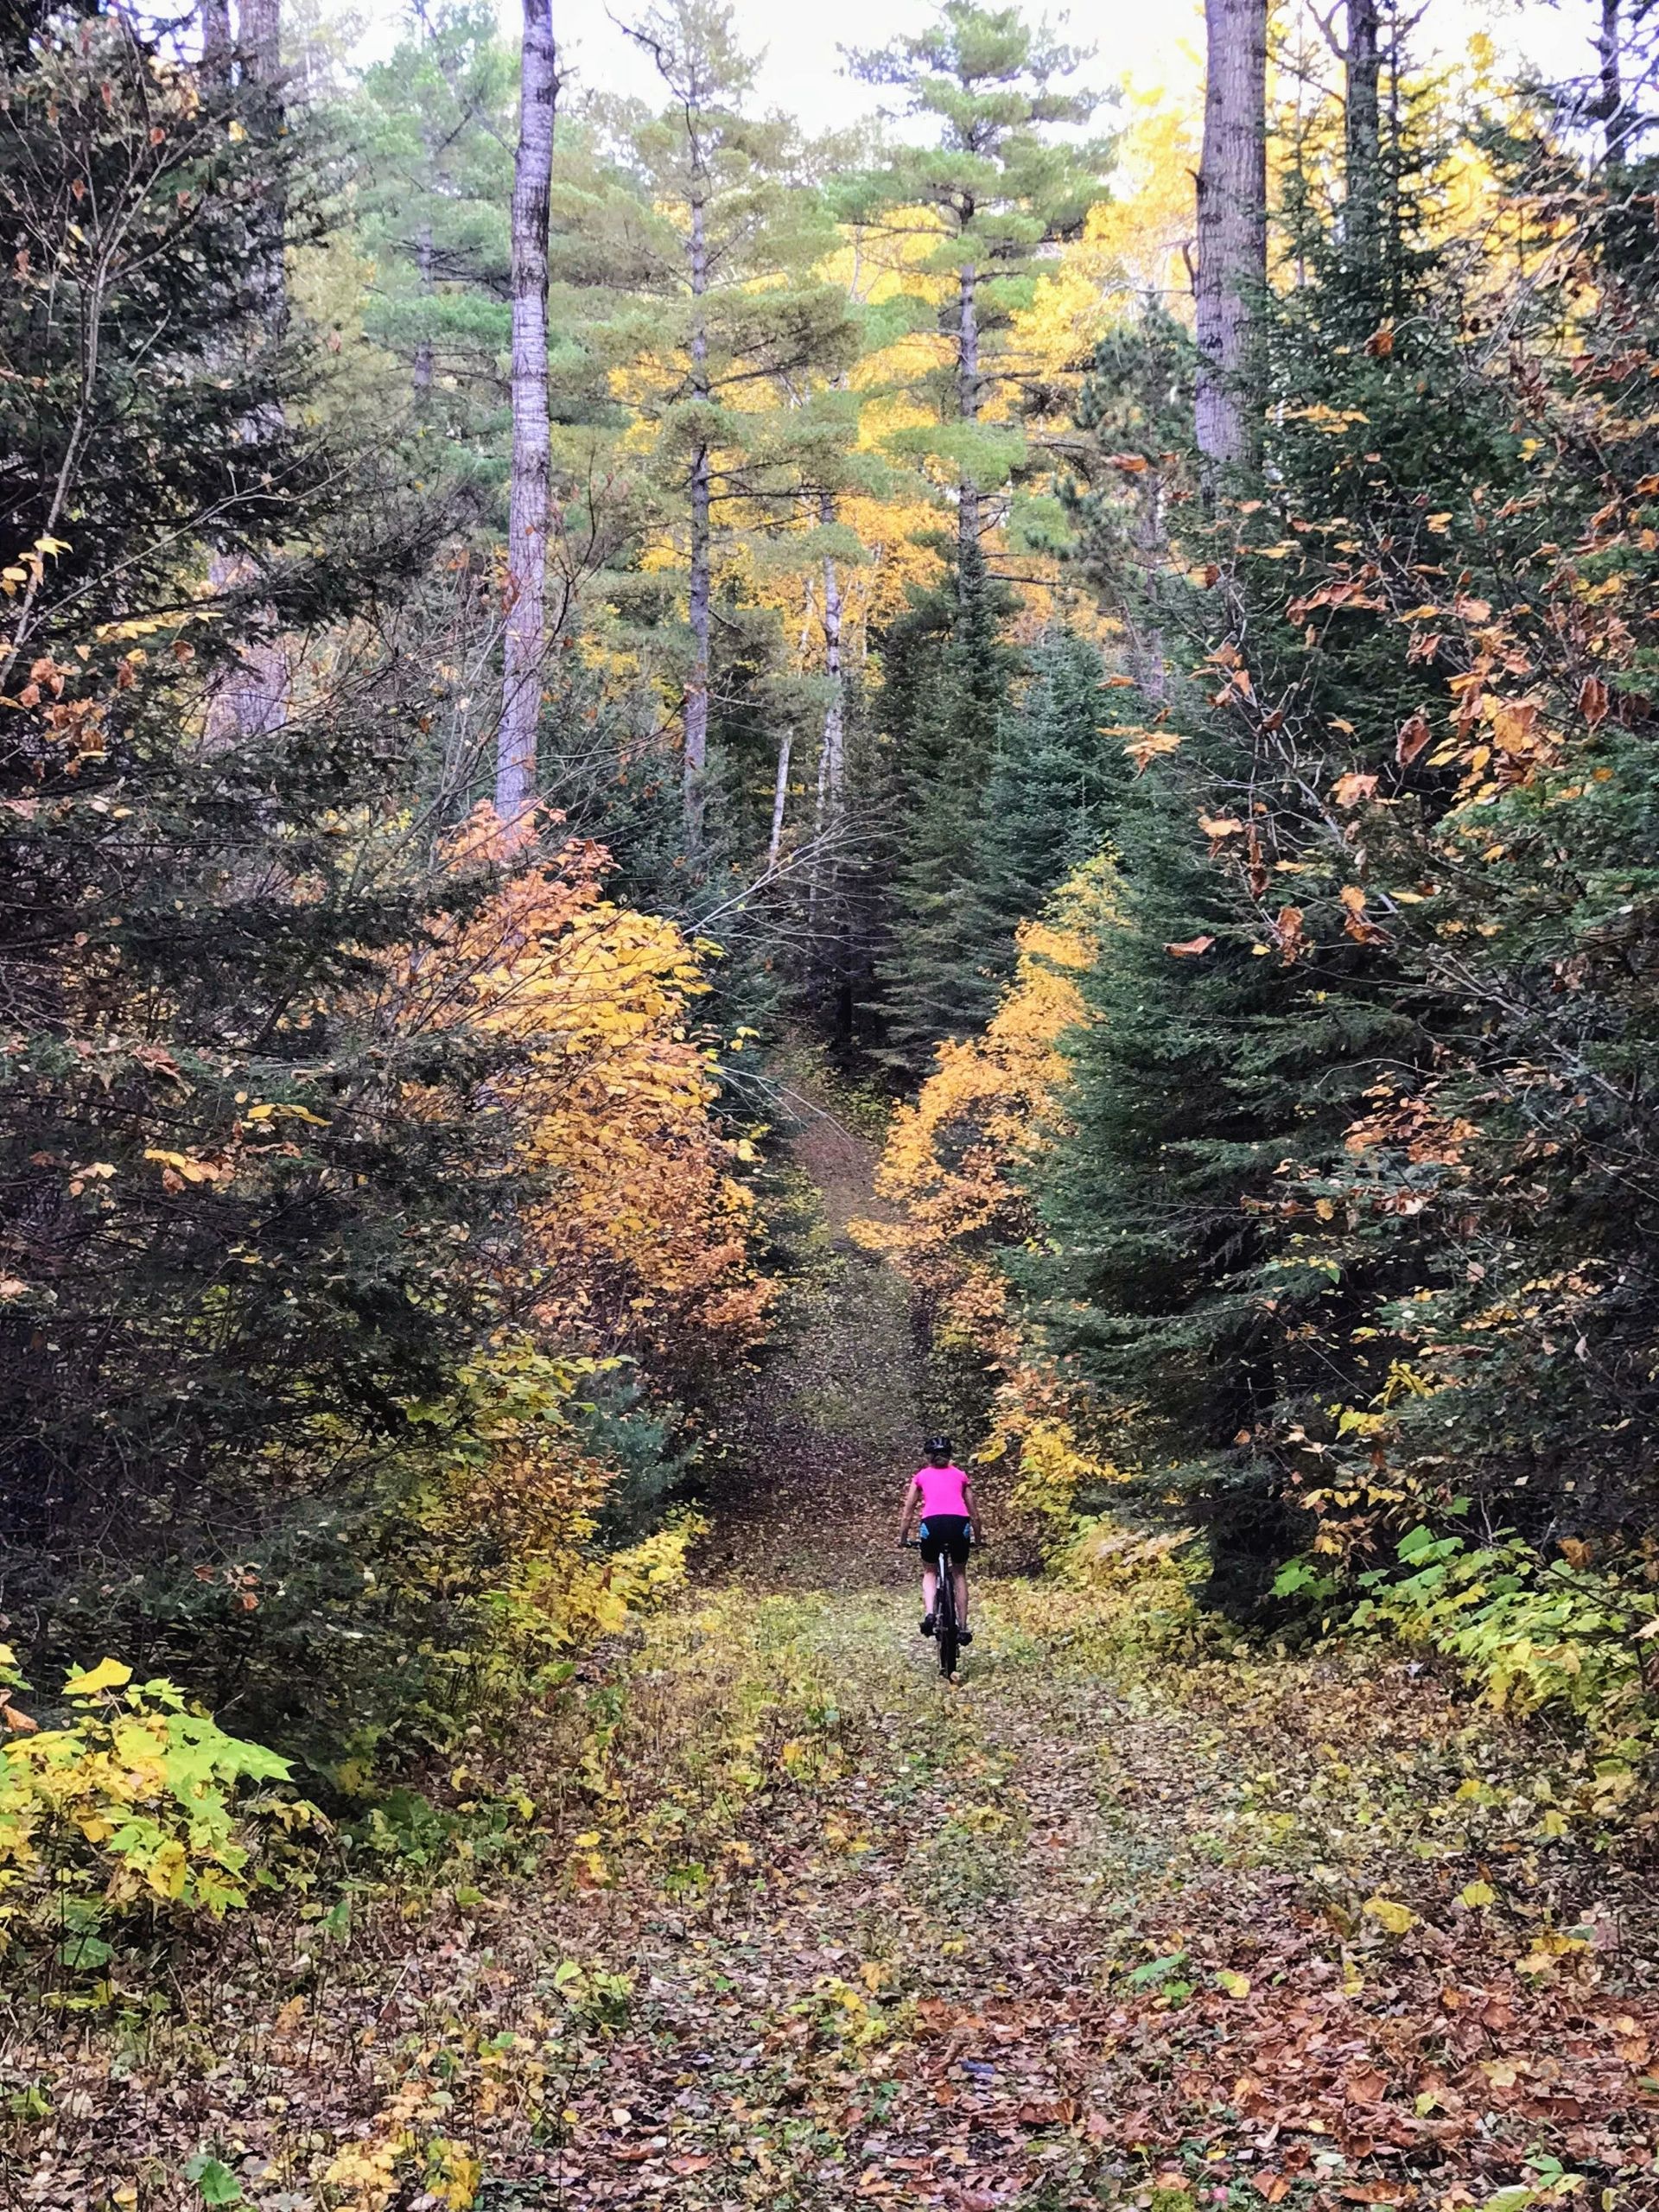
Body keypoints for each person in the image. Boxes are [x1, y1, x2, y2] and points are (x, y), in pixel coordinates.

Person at [896, 1434, 979, 1643]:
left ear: (928, 1457)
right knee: (959, 1572)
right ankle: (963, 1627)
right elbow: (975, 1514)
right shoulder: (961, 1476)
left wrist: (903, 1538)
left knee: (930, 1570)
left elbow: (907, 1513)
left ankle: (930, 1613)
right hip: (959, 1525)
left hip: (932, 1525)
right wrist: (978, 1539)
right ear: (950, 1455)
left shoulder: (921, 1477)